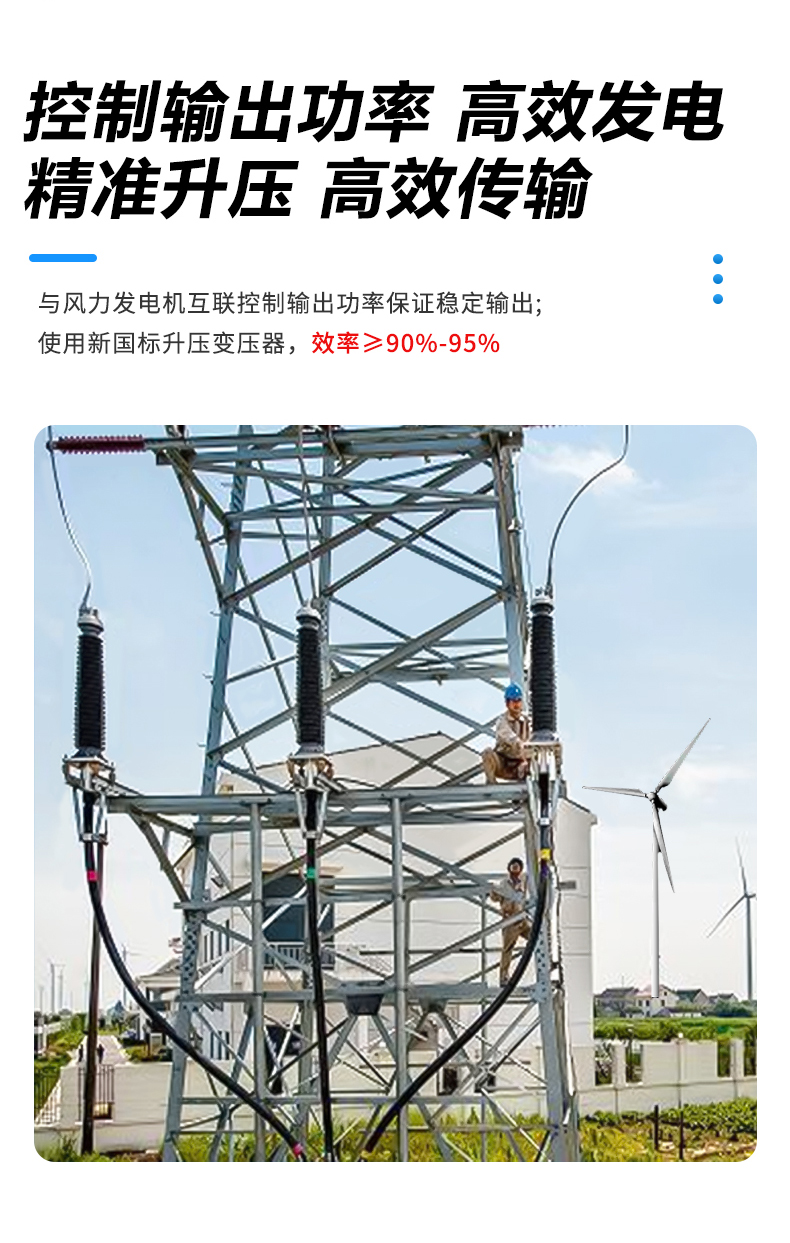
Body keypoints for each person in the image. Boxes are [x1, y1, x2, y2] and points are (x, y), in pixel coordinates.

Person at [490, 857, 532, 985]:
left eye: (517, 866)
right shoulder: (504, 883)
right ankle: (504, 976)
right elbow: (495, 898)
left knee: (536, 937)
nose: (515, 868)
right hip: (510, 920)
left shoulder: (524, 880)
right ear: (509, 868)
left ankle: (547, 964)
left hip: (522, 919)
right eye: (513, 866)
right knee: (507, 949)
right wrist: (492, 890)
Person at [482, 683, 531, 783]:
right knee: (487, 753)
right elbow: (508, 736)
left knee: (537, 760)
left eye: (518, 700)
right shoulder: (502, 720)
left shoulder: (528, 721)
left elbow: (533, 737)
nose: (516, 704)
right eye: (513, 701)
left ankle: (528, 786)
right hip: (503, 763)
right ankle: (492, 784)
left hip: (521, 764)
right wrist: (519, 743)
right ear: (507, 703)